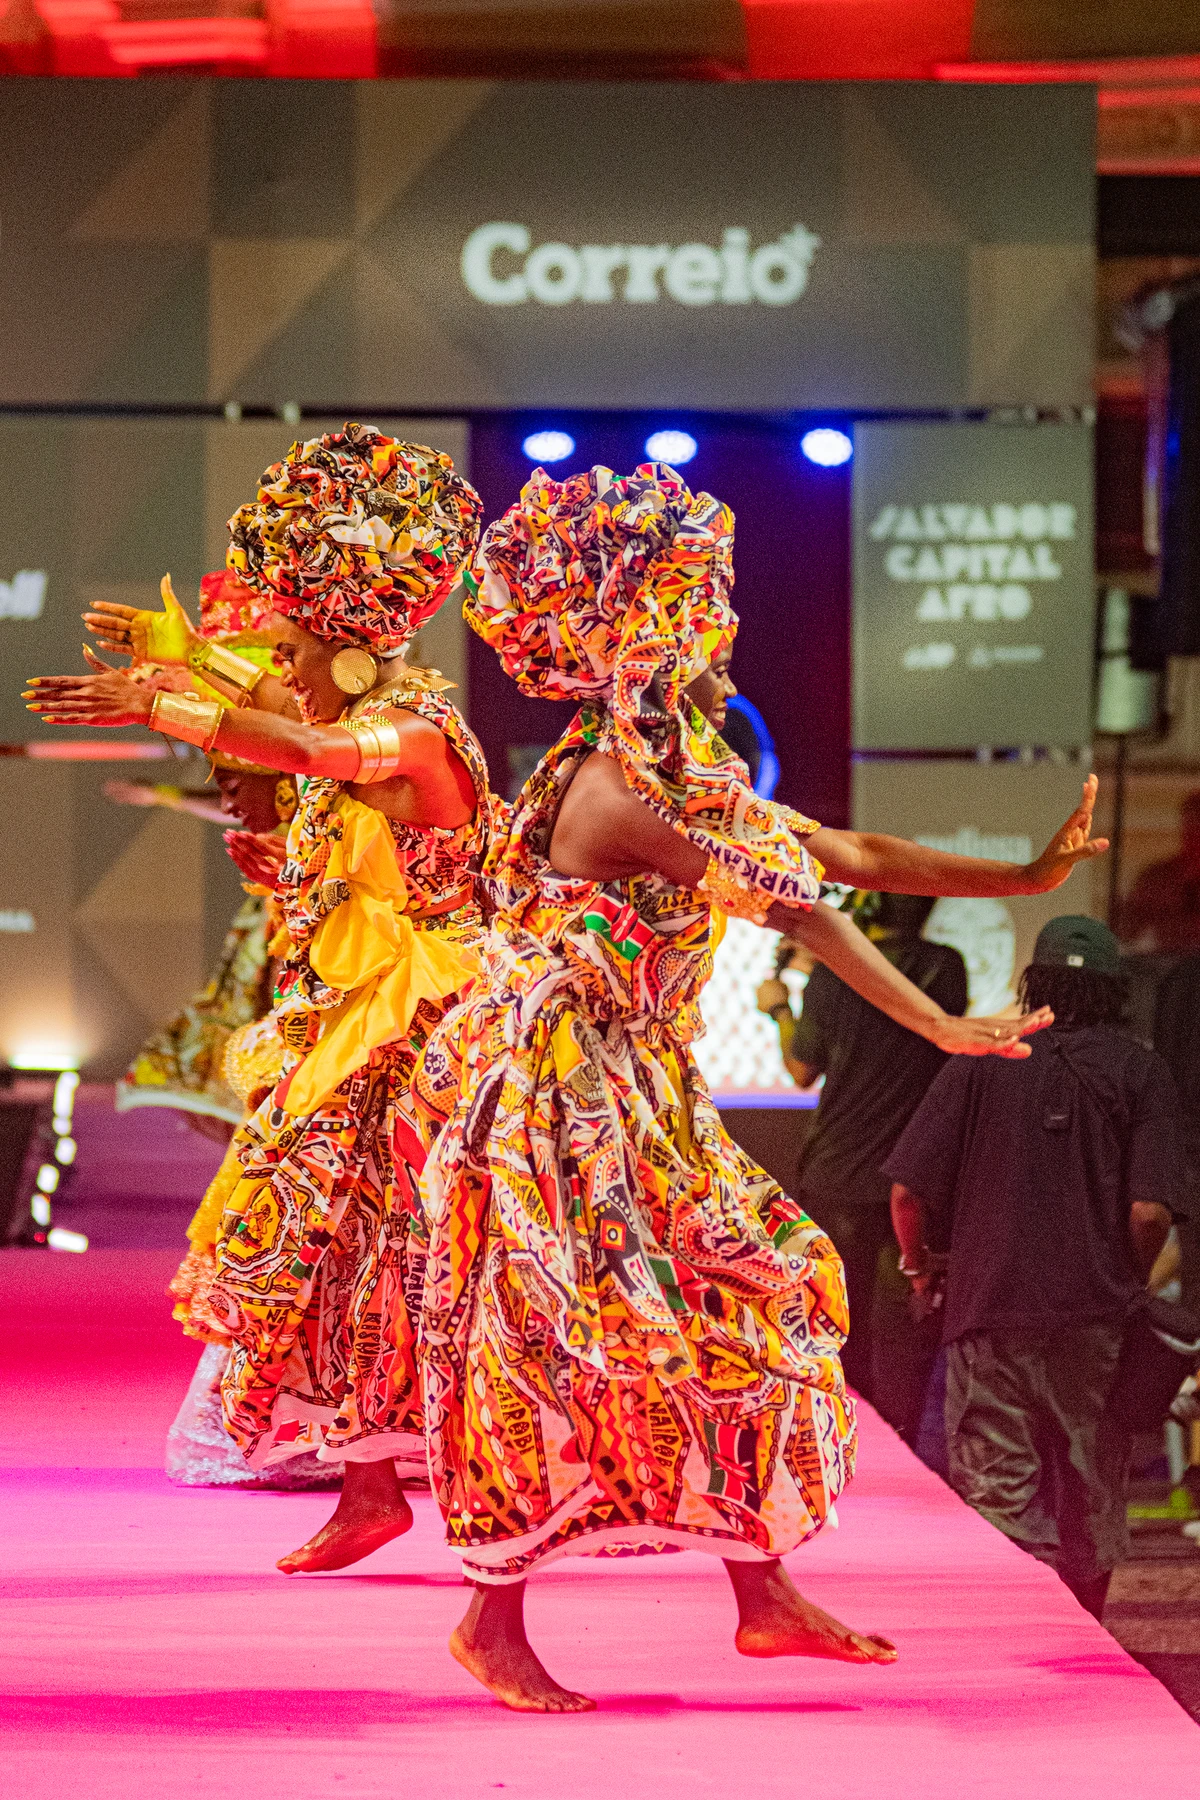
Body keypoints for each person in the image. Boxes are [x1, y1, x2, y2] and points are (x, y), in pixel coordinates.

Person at [411, 461, 1108, 1712]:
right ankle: (492, 1619)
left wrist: (1022, 878)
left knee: (766, 1293)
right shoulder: (615, 788)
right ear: (642, 638)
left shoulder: (678, 770)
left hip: (639, 1085)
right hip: (556, 1097)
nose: (723, 640)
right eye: (700, 616)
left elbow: (840, 850)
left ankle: (761, 1586)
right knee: (558, 1348)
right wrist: (941, 1023)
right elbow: (806, 906)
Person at [25, 424, 494, 1572]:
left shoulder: (414, 731)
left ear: (348, 660)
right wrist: (188, 662)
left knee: (440, 1257)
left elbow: (300, 747)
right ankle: (371, 1483)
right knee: (332, 1257)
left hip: (433, 1037)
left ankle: (521, 1480)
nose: (275, 663)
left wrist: (168, 701)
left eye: (288, 647)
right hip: (357, 1025)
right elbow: (287, 723)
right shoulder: (352, 706)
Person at [886, 916, 1180, 1619]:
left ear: (1034, 982)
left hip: (989, 1310)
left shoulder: (983, 1058)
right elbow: (1149, 1214)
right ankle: (1086, 1639)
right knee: (1090, 1489)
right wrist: (1125, 1280)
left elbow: (907, 1193)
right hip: (1095, 1321)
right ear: (1115, 989)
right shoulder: (1142, 1072)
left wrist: (918, 1269)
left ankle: (1013, 1632)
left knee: (998, 1493)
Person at [756, 892, 967, 1421]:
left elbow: (801, 1070)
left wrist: (780, 1006)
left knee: (836, 1329)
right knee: (904, 1336)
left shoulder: (833, 976)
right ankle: (901, 1440)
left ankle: (839, 1440)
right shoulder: (945, 969)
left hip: (837, 1177)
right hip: (914, 1179)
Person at [1119, 788, 1200, 952]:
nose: (1194, 835)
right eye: (1191, 826)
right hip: (1170, 964)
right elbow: (1126, 931)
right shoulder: (1157, 878)